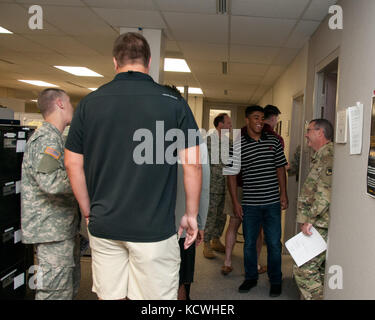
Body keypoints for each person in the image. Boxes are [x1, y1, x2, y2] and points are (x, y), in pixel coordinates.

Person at [64, 32, 202, 300]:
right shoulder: (174, 103)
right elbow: (193, 164)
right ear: (148, 62)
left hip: (105, 224)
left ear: (115, 62)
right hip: (153, 230)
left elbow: (72, 163)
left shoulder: (89, 104)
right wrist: (191, 214)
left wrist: (87, 209)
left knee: (111, 296)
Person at [21, 88, 80, 300]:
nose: (72, 107)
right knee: (53, 294)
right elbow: (51, 182)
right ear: (60, 104)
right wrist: (84, 180)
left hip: (60, 231)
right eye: (70, 103)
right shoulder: (46, 140)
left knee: (65, 290)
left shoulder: (55, 139)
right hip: (51, 233)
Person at [226, 105, 288, 298]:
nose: (260, 121)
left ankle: (275, 279)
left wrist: (283, 194)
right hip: (250, 203)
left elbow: (280, 169)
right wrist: (236, 202)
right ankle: (251, 277)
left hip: (271, 203)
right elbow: (231, 175)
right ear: (247, 120)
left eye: (262, 118)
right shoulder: (238, 144)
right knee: (249, 243)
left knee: (274, 243)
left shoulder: (274, 142)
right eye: (256, 118)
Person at [293, 119, 334, 300]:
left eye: (308, 130)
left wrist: (310, 219)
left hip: (319, 223)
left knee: (303, 269)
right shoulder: (320, 155)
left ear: (320, 132)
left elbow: (325, 192)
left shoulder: (329, 156)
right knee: (321, 269)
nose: (306, 134)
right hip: (318, 222)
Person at [175, 141, 210, 300]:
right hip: (184, 224)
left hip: (150, 224)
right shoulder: (195, 143)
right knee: (181, 277)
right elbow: (203, 186)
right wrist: (201, 223)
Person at [203, 113, 232, 259]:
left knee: (222, 216)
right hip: (212, 185)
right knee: (211, 215)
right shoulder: (207, 141)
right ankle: (206, 243)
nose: (230, 127)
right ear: (220, 124)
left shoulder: (230, 143)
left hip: (226, 186)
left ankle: (216, 239)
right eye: (228, 123)